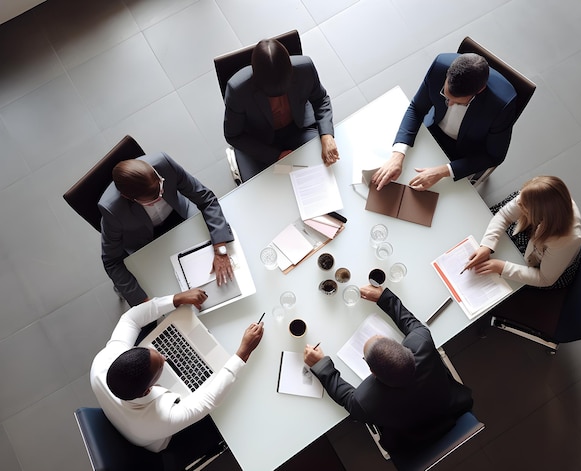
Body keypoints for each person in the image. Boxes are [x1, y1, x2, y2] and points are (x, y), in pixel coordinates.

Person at [90, 287, 264, 467]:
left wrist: (177, 298)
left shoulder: (102, 363)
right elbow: (209, 400)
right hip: (160, 437)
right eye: (160, 366)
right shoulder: (161, 419)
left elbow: (130, 319)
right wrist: (243, 353)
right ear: (148, 390)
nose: (165, 357)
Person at [303, 286, 473, 451]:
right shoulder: (422, 343)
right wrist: (384, 297)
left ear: (373, 373)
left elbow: (346, 398)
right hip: (450, 408)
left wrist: (321, 365)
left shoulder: (365, 401)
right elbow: (411, 323)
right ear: (406, 348)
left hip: (411, 443)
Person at [99, 153, 234, 306]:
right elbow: (111, 261)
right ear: (128, 197)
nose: (161, 195)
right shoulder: (111, 210)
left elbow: (206, 199)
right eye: (154, 200)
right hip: (146, 242)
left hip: (180, 216)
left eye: (162, 187)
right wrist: (146, 303)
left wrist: (220, 249)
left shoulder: (163, 163)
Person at [372, 52, 517, 191]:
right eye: (446, 96)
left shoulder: (502, 105)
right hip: (431, 130)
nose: (449, 104)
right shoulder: (439, 66)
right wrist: (397, 154)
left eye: (458, 103)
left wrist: (443, 171)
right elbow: (417, 108)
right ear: (448, 73)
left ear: (479, 91)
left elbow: (494, 156)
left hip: (463, 153)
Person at [224, 38, 339, 181]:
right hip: (260, 141)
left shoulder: (305, 68)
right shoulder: (237, 90)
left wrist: (327, 135)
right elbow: (233, 135)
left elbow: (320, 99)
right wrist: (274, 156)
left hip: (298, 128)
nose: (278, 105)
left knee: (326, 171)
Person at [463, 175, 581, 289]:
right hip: (536, 239)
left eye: (523, 206)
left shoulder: (567, 240)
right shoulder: (541, 197)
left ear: (538, 215)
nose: (518, 202)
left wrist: (501, 267)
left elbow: (545, 279)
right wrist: (487, 245)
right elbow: (504, 215)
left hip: (549, 269)